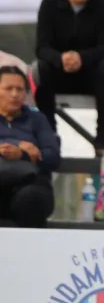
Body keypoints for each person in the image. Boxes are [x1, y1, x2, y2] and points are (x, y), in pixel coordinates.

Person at [34, 0, 104, 154]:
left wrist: (81, 58)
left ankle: (101, 136)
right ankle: (50, 133)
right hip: (58, 73)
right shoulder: (49, 4)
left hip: (91, 75)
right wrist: (60, 59)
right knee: (41, 68)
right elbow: (42, 47)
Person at [0, 66, 60, 228]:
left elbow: (53, 157)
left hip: (30, 185)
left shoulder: (37, 120)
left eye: (19, 89)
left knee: (31, 198)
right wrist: (11, 147)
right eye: (8, 89)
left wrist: (23, 155)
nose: (14, 94)